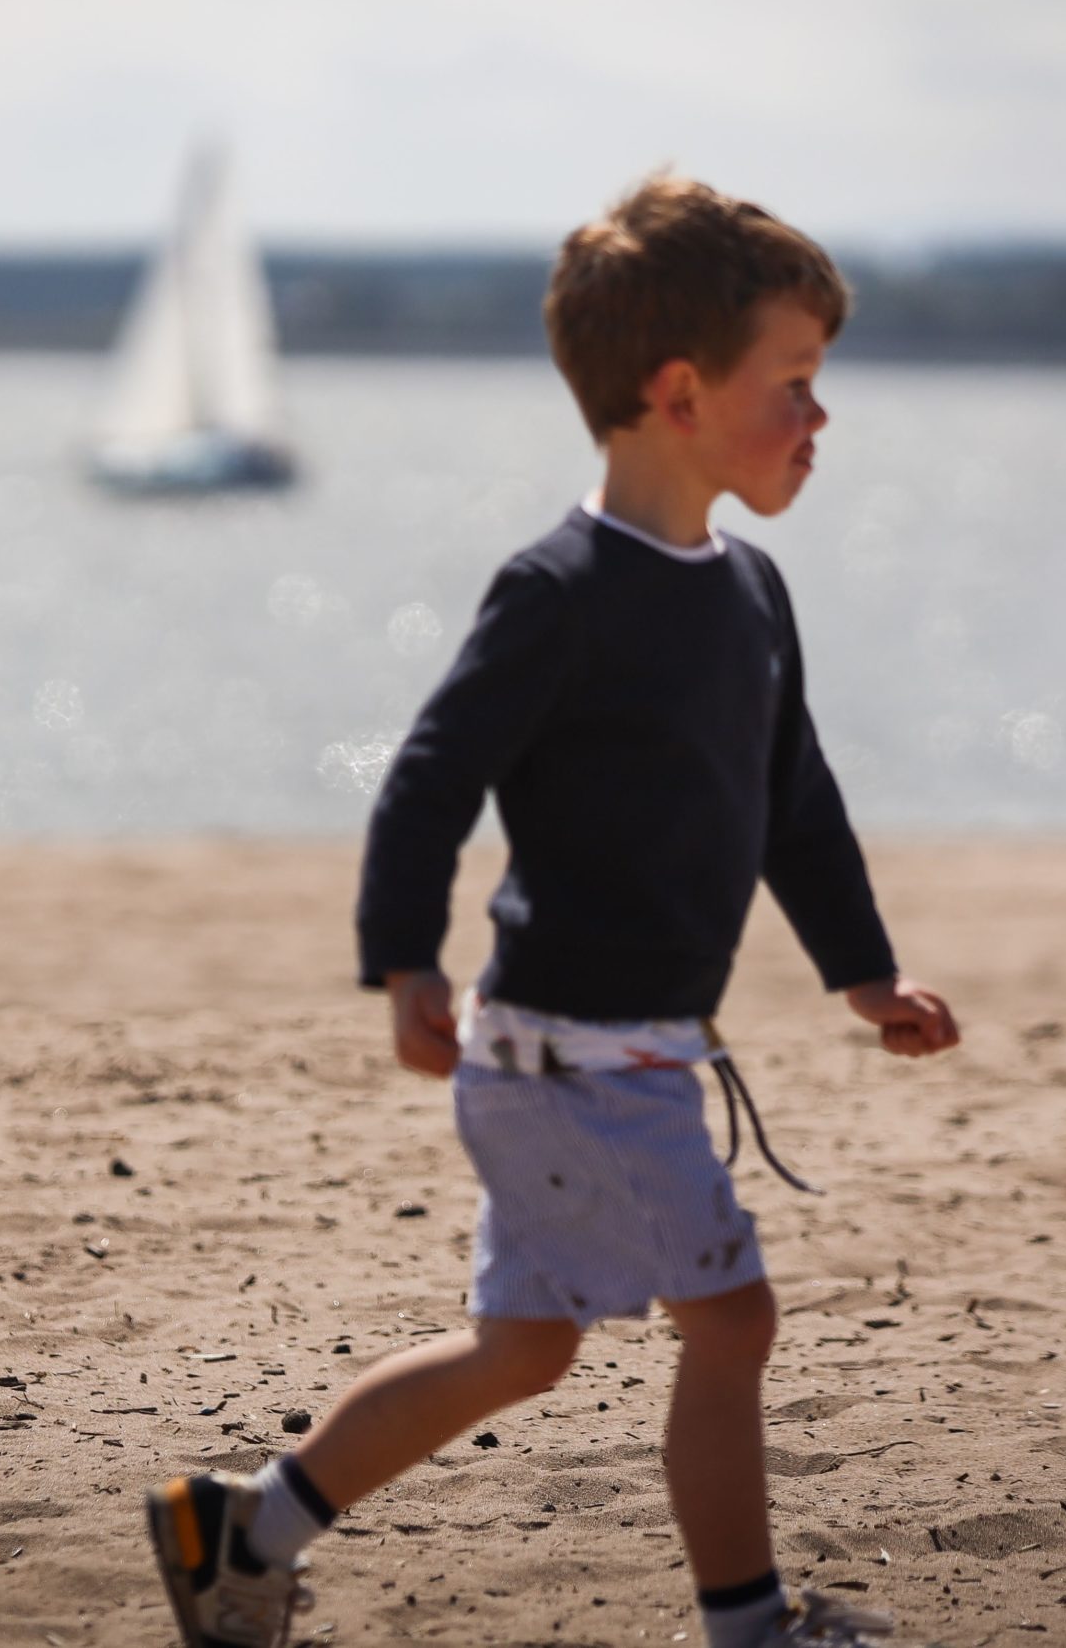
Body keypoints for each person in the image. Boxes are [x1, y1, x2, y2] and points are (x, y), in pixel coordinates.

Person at [146, 173, 962, 1648]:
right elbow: (430, 776)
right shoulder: (561, 590)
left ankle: (241, 1529)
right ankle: (749, 1626)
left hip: (608, 1051)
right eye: (794, 384)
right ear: (677, 389)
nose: (818, 418)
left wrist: (864, 969)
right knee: (734, 1322)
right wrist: (405, 959)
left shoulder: (753, 592)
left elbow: (796, 802)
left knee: (520, 1348)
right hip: (572, 1053)